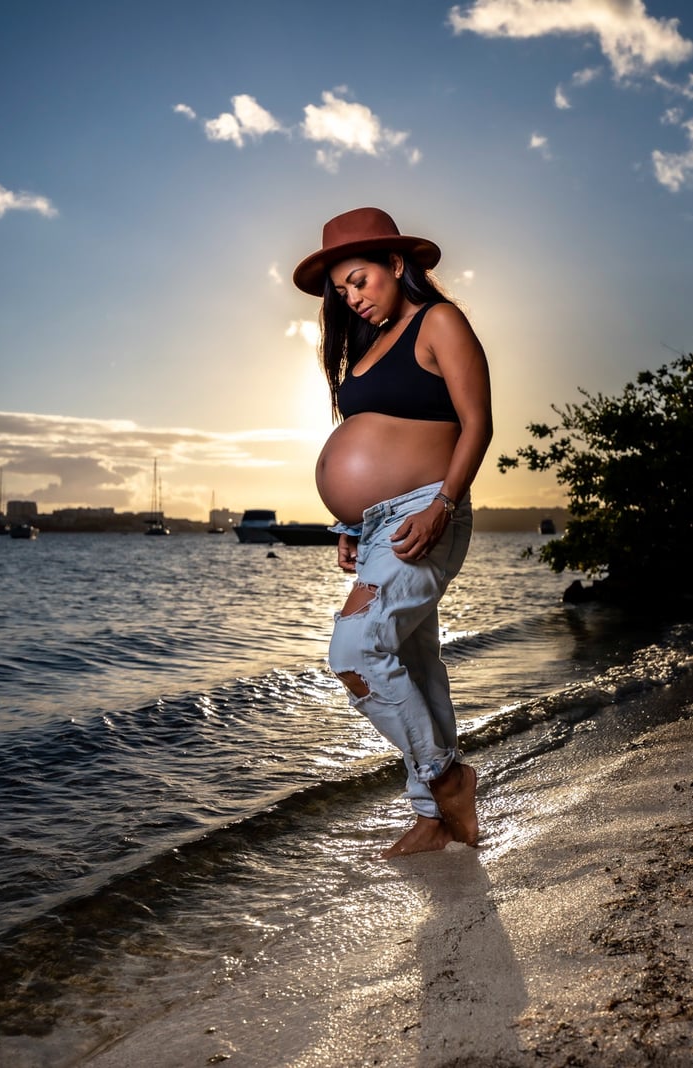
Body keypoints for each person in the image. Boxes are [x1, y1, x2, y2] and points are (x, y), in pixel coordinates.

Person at [293, 207, 492, 857]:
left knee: (354, 653)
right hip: (375, 525)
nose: (353, 297)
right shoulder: (367, 344)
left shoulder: (439, 322)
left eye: (360, 280)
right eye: (343, 291)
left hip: (422, 515)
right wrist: (349, 523)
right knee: (414, 662)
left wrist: (441, 505)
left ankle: (445, 776)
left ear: (396, 265)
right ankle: (433, 816)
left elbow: (476, 422)